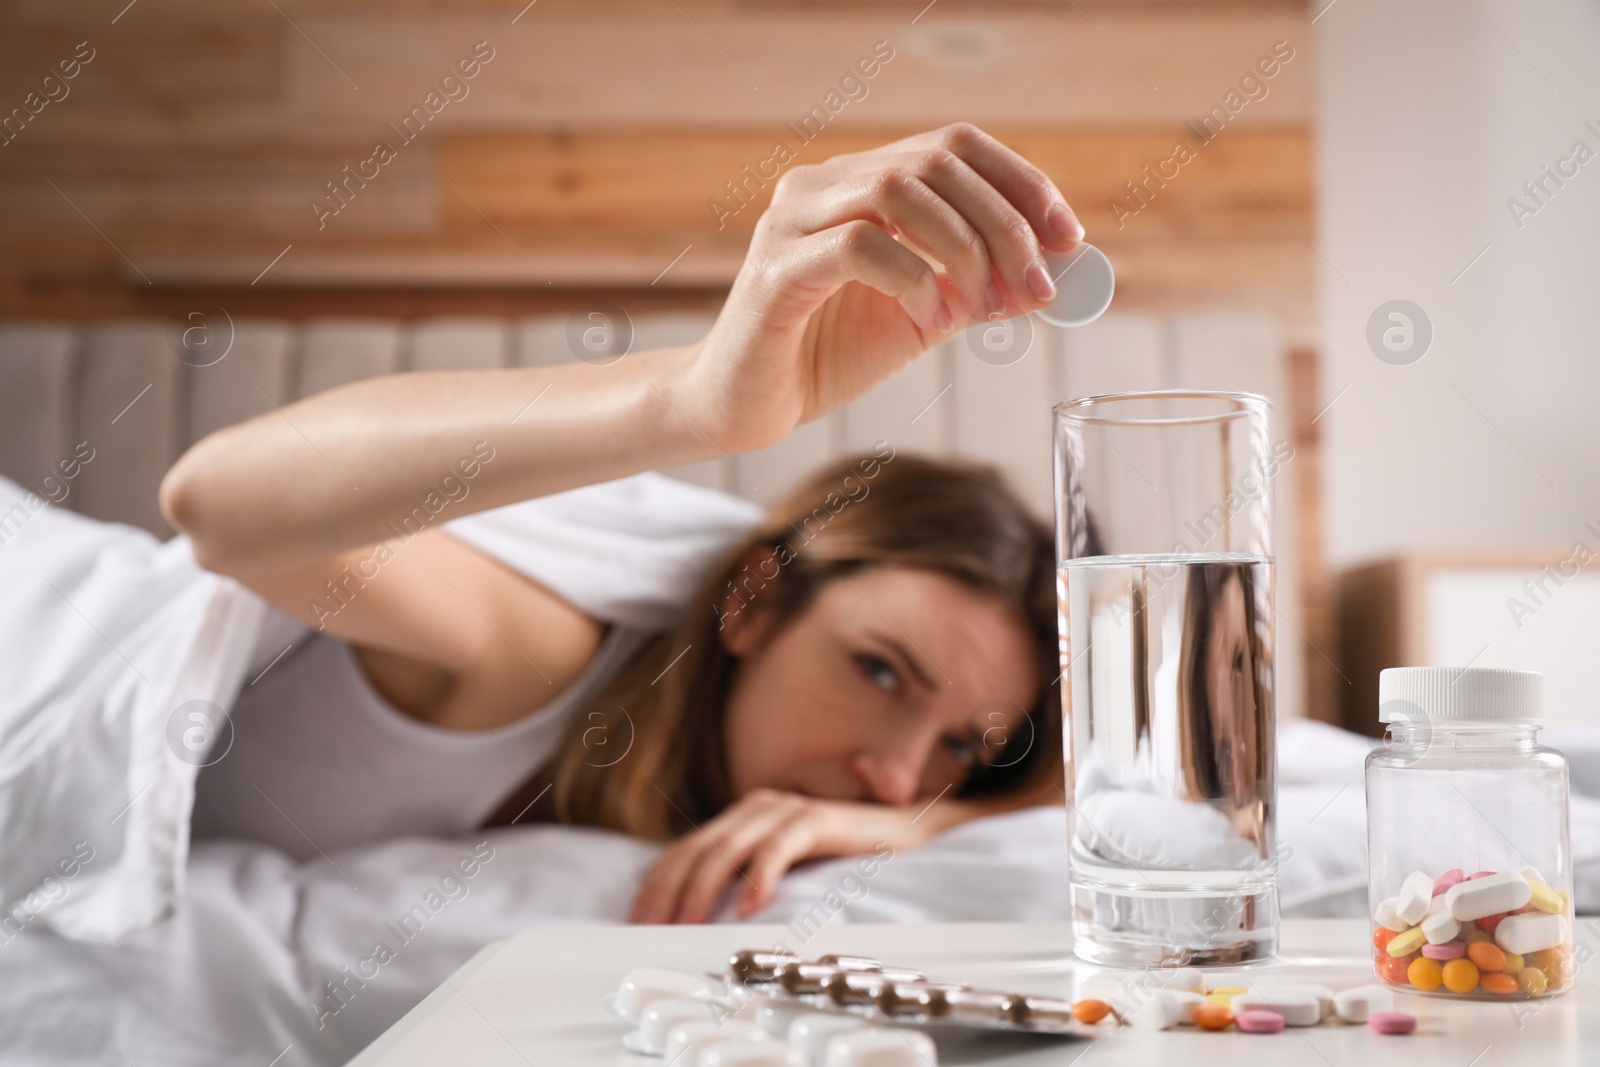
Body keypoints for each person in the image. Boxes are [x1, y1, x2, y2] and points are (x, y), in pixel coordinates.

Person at [160, 123, 1087, 924]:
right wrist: (694, 405)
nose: (895, 775)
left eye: (962, 746)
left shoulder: (890, 801)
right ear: (754, 601)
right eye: (880, 670)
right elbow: (218, 503)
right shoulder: (540, 652)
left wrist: (915, 824)